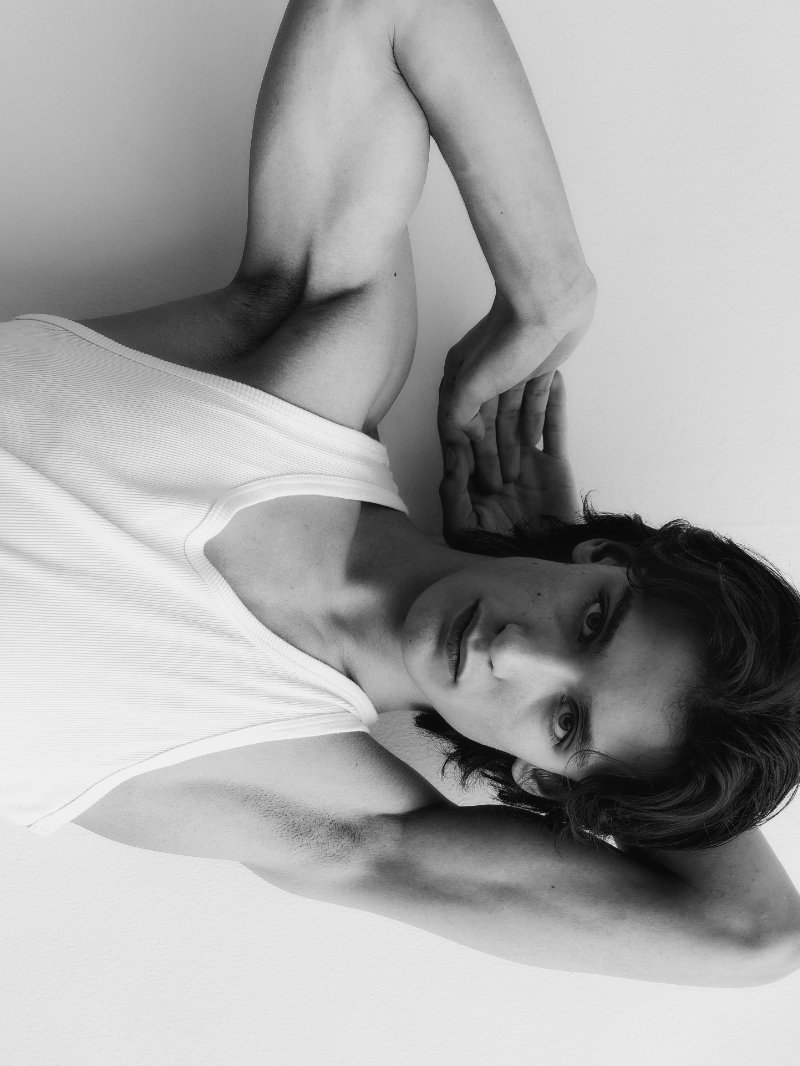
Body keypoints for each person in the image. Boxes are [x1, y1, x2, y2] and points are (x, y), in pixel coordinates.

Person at [2, 0, 799, 985]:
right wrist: (547, 289)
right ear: (600, 557)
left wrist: (658, 793)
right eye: (592, 621)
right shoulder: (314, 359)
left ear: (543, 778)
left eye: (565, 721)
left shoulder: (318, 807)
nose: (514, 651)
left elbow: (758, 936)